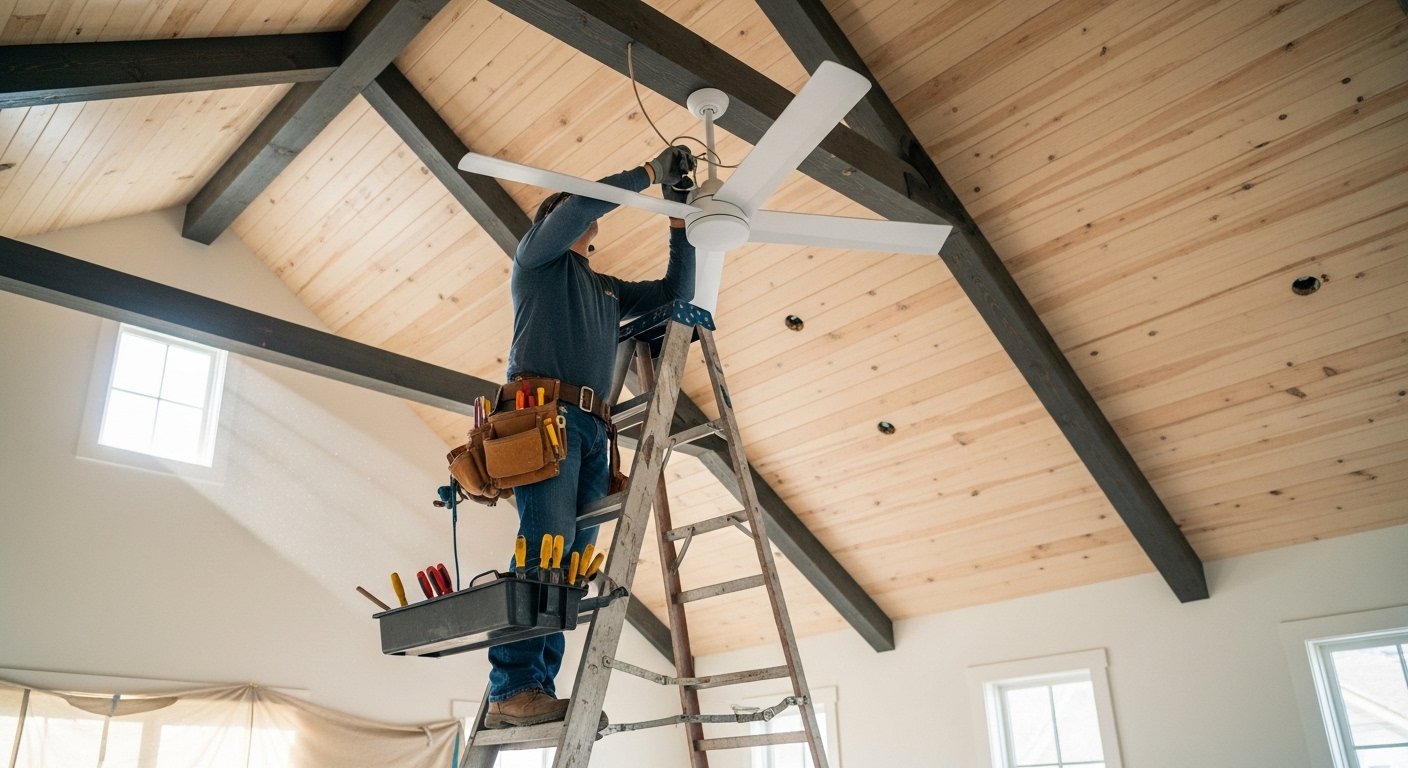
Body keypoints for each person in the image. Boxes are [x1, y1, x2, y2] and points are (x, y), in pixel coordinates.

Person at [484, 146, 697, 728]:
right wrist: (649, 173)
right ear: (551, 222)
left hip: (592, 430)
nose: (577, 217)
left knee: (571, 562)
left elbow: (677, 293)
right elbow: (582, 205)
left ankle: (535, 686)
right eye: (566, 213)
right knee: (544, 545)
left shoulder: (605, 289)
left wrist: (679, 218)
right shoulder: (536, 260)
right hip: (542, 419)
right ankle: (512, 686)